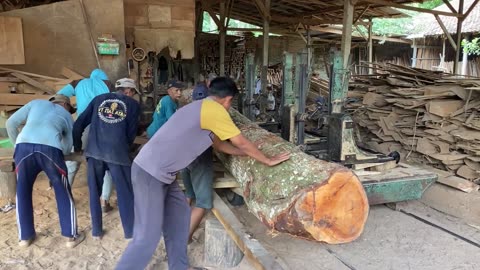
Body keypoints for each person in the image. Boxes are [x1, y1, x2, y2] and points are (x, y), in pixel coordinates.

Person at [116, 77, 290, 270]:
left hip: (164, 174)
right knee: (146, 238)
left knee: (179, 220)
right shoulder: (215, 111)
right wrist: (267, 159)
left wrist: (248, 153)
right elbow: (239, 141)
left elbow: (220, 144)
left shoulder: (202, 107)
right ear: (228, 100)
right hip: (150, 173)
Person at [6, 95, 85, 248]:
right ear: (64, 104)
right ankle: (71, 237)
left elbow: (10, 123)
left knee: (22, 190)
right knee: (62, 189)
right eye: (69, 107)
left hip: (23, 147)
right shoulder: (67, 116)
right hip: (50, 150)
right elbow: (67, 147)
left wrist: (17, 145)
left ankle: (25, 238)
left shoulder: (35, 103)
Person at [73, 78, 140, 240]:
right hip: (118, 154)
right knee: (125, 193)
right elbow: (131, 133)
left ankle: (96, 232)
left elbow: (79, 124)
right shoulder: (133, 105)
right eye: (133, 93)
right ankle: (129, 232)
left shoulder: (99, 99)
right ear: (129, 91)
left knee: (94, 192)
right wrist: (126, 148)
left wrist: (77, 147)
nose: (133, 96)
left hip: (94, 152)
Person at [58, 68, 115, 212]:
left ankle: (66, 197)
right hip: (104, 126)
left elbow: (60, 95)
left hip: (82, 125)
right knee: (106, 164)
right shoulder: (108, 84)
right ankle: (104, 201)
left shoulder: (78, 83)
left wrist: (74, 108)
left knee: (73, 162)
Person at [181, 83, 213, 243]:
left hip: (182, 158)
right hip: (200, 159)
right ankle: (184, 238)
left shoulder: (184, 112)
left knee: (189, 193)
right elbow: (220, 142)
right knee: (203, 202)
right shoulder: (210, 114)